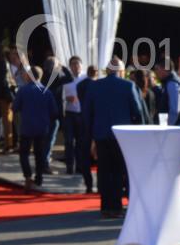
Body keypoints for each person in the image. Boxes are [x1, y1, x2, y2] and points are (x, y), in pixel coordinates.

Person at [83, 58, 145, 218]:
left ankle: (105, 206)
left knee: (103, 170)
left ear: (107, 70)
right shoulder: (128, 86)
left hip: (101, 135)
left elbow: (87, 114)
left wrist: (90, 138)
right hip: (122, 136)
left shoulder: (94, 86)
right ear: (121, 71)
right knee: (118, 171)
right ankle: (116, 206)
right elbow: (137, 113)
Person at [12, 64, 59, 190]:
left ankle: (27, 176)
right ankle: (39, 177)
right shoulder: (47, 91)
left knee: (24, 153)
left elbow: (15, 108)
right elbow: (54, 111)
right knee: (39, 154)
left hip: (26, 126)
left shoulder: (23, 90)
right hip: (42, 127)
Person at [74, 64, 99, 193]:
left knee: (84, 155)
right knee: (100, 154)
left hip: (84, 121)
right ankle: (100, 185)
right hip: (98, 122)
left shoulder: (80, 85)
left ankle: (88, 184)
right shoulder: (99, 86)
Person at [62, 56, 86, 175]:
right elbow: (60, 95)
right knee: (69, 141)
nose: (75, 66)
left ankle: (80, 167)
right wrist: (67, 98)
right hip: (70, 113)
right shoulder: (65, 79)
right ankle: (69, 167)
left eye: (77, 64)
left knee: (81, 142)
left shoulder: (86, 78)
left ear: (81, 65)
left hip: (82, 113)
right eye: (73, 64)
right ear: (70, 67)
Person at [154, 58, 180, 125]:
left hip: (174, 128)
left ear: (164, 69)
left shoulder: (172, 83)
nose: (155, 72)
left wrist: (168, 127)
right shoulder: (174, 81)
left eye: (157, 69)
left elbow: (174, 111)